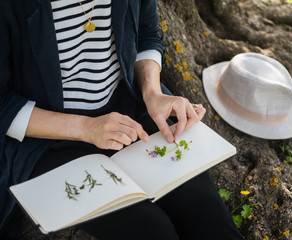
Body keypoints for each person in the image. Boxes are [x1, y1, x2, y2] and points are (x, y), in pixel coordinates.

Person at [0, 0, 243, 239]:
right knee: (152, 230)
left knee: (208, 216)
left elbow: (147, 33)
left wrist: (153, 93)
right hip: (48, 138)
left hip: (130, 112)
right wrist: (86, 127)